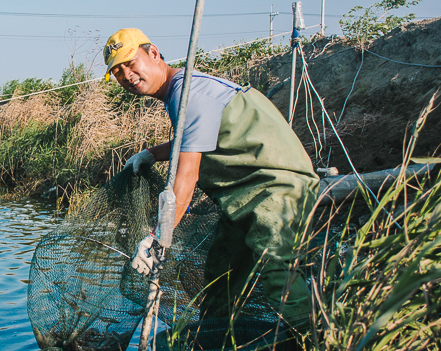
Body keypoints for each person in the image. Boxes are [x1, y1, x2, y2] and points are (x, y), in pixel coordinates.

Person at [103, 28, 318, 327]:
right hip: (243, 195)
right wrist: (151, 153)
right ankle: (214, 348)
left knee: (277, 269)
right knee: (221, 276)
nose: (126, 75)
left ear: (153, 53)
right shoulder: (179, 91)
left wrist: (156, 239)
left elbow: (186, 178)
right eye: (117, 71)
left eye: (130, 63)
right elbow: (197, 139)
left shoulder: (187, 93)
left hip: (275, 186)